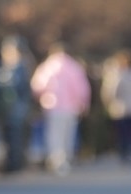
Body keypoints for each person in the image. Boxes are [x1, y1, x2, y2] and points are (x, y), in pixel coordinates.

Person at [30, 42, 91, 175]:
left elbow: (38, 86)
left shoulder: (47, 67)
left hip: (52, 106)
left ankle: (55, 159)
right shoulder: (74, 67)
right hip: (71, 107)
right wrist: (83, 103)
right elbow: (82, 88)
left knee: (54, 134)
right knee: (68, 134)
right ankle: (65, 158)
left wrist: (41, 97)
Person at [0, 36, 33, 173]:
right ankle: (12, 163)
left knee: (15, 138)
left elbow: (17, 89)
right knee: (10, 138)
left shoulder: (19, 68)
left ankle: (14, 165)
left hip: (16, 110)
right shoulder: (9, 67)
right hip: (10, 110)